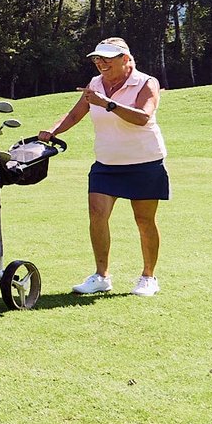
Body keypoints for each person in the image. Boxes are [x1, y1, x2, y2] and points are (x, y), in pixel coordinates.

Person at [38, 36, 169, 297]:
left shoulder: (146, 82)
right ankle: (101, 276)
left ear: (125, 59)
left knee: (144, 221)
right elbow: (76, 113)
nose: (101, 63)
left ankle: (148, 277)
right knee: (97, 215)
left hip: (144, 162)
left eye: (107, 58)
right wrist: (52, 131)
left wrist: (106, 103)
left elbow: (143, 117)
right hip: (106, 163)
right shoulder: (96, 84)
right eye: (98, 58)